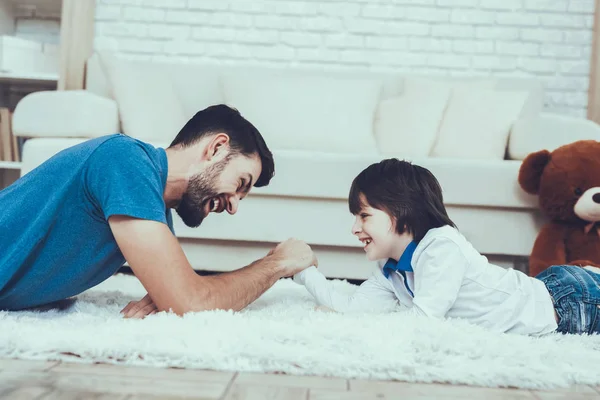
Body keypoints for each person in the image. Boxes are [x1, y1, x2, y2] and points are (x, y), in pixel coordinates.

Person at [0, 104, 317, 317]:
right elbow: (193, 303)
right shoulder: (125, 161)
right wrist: (277, 263)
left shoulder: (155, 209)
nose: (233, 206)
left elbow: (183, 298)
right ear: (216, 148)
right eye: (241, 183)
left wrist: (169, 293)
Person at [293, 158, 600, 336]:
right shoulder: (391, 268)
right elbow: (353, 309)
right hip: (552, 290)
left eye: (364, 216)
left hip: (567, 304)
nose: (354, 228)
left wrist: (345, 320)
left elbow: (424, 324)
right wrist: (303, 269)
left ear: (400, 212)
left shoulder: (441, 247)